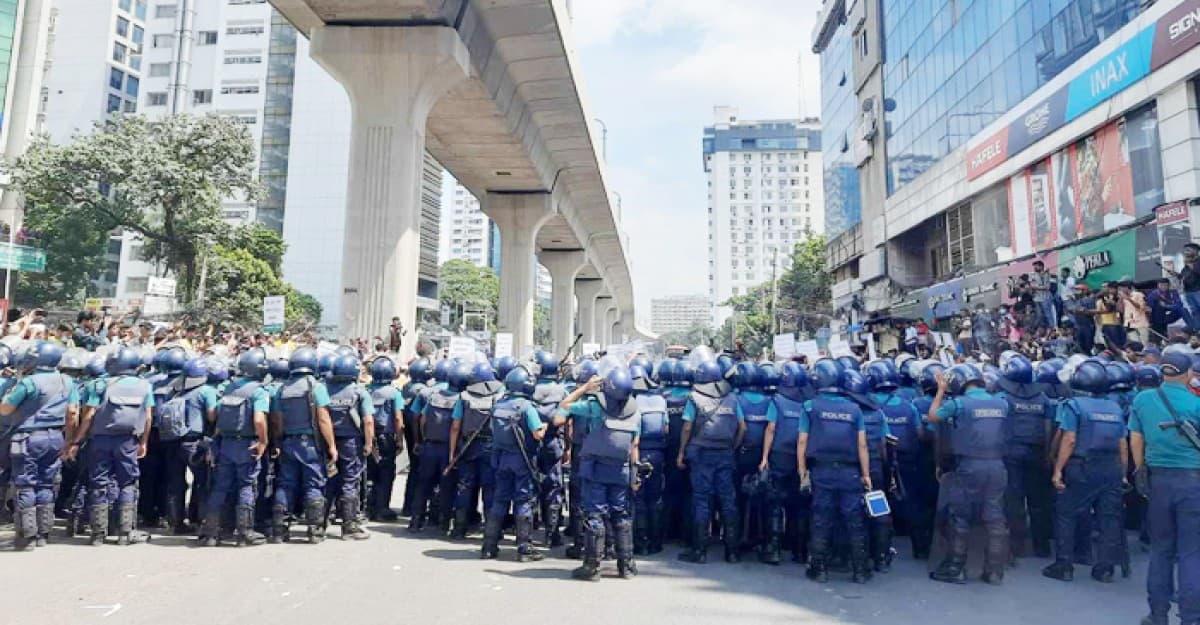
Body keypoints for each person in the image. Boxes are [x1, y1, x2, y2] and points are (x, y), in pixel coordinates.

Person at [1129, 346, 1200, 625]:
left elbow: (1136, 439)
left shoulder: (1143, 400)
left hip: (1158, 480)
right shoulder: (1196, 404)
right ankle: (1191, 618)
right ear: (1189, 373)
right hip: (1193, 483)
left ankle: (1158, 614)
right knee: (1191, 552)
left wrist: (1140, 470)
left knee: (1161, 550)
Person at [1041, 360, 1127, 583]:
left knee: (1066, 513)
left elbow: (1069, 439)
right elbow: (1122, 443)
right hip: (1111, 467)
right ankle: (1105, 568)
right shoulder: (1114, 407)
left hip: (1082, 466)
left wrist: (1058, 470)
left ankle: (1064, 565)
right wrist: (1123, 472)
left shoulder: (1073, 405)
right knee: (1108, 518)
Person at [555, 366, 642, 580]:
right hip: (621, 469)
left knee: (594, 515)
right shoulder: (634, 410)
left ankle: (592, 567)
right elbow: (634, 444)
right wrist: (634, 474)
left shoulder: (594, 406)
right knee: (620, 515)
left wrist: (585, 387)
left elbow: (564, 406)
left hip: (595, 469)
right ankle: (627, 566)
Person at [927, 363, 1010, 585]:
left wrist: (941, 390)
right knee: (994, 517)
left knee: (960, 515)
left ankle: (955, 568)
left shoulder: (959, 404)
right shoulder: (1002, 403)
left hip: (969, 466)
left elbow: (933, 416)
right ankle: (994, 572)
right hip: (997, 466)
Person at [64, 347, 154, 546]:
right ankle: (124, 533)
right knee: (127, 484)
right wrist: (144, 442)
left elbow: (88, 416)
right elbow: (148, 417)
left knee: (98, 484)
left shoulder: (98, 385)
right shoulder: (145, 386)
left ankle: (97, 534)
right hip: (128, 441)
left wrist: (76, 441)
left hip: (100, 440)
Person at [796, 358, 872, 583]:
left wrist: (802, 470)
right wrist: (866, 474)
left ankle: (819, 570)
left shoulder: (810, 407)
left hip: (822, 471)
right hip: (851, 472)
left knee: (821, 518)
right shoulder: (855, 409)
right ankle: (860, 571)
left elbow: (802, 441)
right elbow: (862, 445)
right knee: (854, 519)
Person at [0, 342, 75, 549]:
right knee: (46, 484)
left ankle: (26, 536)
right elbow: (72, 413)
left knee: (25, 484)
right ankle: (43, 534)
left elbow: (5, 409)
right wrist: (69, 440)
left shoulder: (28, 382)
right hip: (56, 438)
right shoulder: (67, 381)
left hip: (27, 438)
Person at [675, 357, 744, 564]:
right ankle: (732, 551)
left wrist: (681, 452)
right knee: (728, 500)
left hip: (701, 455)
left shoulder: (694, 398)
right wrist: (733, 446)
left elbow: (687, 427)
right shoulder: (732, 398)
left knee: (701, 500)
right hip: (725, 454)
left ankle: (700, 550)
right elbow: (743, 428)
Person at [269, 347, 337, 544]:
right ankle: (315, 530)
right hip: (310, 445)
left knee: (285, 484)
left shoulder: (282, 389)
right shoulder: (317, 387)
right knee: (313, 484)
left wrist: (279, 441)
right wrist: (331, 445)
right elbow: (323, 419)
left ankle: (279, 530)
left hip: (289, 442)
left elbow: (276, 421)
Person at [200, 351, 268, 547]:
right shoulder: (258, 391)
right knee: (246, 486)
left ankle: (212, 533)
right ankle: (245, 532)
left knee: (220, 487)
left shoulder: (229, 388)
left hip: (226, 443)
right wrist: (263, 441)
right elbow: (258, 419)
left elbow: (219, 418)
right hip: (247, 444)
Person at [482, 366, 546, 562]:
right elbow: (537, 433)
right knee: (523, 501)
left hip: (501, 458)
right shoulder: (526, 407)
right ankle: (524, 548)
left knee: (499, 500)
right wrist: (546, 426)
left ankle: (489, 546)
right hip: (522, 459)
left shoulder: (498, 405)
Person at [994, 353, 1054, 559]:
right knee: (1039, 501)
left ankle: (1017, 545)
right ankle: (1042, 545)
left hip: (1010, 454)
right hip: (1037, 453)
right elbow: (1047, 430)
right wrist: (1047, 454)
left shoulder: (1003, 398)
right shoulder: (1042, 398)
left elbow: (998, 428)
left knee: (1014, 499)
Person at [760, 361, 813, 565]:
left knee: (775, 502)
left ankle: (773, 549)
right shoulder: (808, 402)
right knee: (799, 504)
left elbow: (771, 429)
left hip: (780, 455)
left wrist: (764, 457)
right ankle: (798, 550)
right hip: (801, 457)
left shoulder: (777, 401)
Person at [159, 358, 216, 536]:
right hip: (195, 443)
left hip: (173, 441)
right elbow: (212, 416)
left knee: (175, 483)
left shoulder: (176, 391)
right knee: (201, 482)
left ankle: (175, 522)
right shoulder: (206, 391)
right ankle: (197, 520)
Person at [409, 361, 467, 533]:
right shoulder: (461, 400)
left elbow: (422, 419)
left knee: (423, 485)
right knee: (447, 487)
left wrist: (423, 438)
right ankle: (442, 524)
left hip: (429, 446)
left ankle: (415, 520)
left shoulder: (434, 396)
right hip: (448, 449)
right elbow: (457, 427)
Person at [447, 361, 502, 539]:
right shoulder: (499, 396)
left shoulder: (463, 397)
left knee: (464, 487)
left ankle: (459, 528)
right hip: (490, 447)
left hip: (468, 447)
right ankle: (491, 531)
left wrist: (452, 453)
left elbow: (455, 427)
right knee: (490, 489)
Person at [324, 353, 375, 540]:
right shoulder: (359, 392)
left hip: (328, 442)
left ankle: (320, 524)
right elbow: (368, 421)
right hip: (351, 443)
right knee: (349, 481)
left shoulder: (324, 390)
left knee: (328, 481)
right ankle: (349, 526)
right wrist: (369, 443)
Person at [729, 361, 775, 559]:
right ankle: (759, 539)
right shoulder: (769, 401)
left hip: (741, 454)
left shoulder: (736, 399)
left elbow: (739, 428)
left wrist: (735, 448)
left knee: (737, 498)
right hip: (761, 457)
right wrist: (765, 456)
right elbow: (770, 429)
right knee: (761, 499)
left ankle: (738, 540)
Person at [530, 351, 568, 548]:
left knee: (529, 485)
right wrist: (568, 447)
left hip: (531, 442)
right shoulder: (562, 391)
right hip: (553, 443)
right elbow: (569, 422)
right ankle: (552, 535)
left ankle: (528, 532)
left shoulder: (528, 389)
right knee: (553, 488)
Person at [631, 363, 667, 555]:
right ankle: (656, 542)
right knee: (655, 498)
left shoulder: (634, 402)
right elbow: (666, 429)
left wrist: (635, 465)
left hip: (641, 453)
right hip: (658, 454)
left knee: (639, 499)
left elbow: (634, 441)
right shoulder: (660, 400)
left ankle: (641, 543)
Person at [366, 356, 404, 521]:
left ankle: (367, 508)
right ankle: (382, 509)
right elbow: (397, 418)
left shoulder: (366, 390)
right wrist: (400, 440)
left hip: (368, 436)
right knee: (386, 473)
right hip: (385, 438)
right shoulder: (394, 393)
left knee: (368, 473)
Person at [1147, 279, 1185, 345]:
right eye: (1161, 285)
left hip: (1172, 316)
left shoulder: (1173, 292)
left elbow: (1179, 305)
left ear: (1169, 285)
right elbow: (1150, 307)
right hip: (1158, 319)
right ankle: (1160, 342)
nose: (1163, 287)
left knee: (1182, 310)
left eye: (1165, 285)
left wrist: (1167, 306)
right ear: (1157, 285)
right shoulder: (1153, 294)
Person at [1120, 281, 1151, 348]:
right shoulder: (1123, 297)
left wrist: (1128, 299)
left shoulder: (1138, 294)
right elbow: (1120, 310)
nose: (1121, 290)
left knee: (1144, 343)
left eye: (1122, 288)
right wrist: (1120, 299)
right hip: (1129, 323)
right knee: (1135, 343)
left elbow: (1140, 307)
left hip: (1140, 322)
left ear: (1127, 287)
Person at [1069, 284, 1098, 354]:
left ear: (1084, 291)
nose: (1075, 292)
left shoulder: (1089, 300)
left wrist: (1083, 311)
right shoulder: (1077, 301)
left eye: (1078, 290)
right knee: (1079, 346)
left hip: (1088, 326)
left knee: (1088, 347)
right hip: (1079, 326)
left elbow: (1092, 312)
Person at [1177, 243, 1200, 332]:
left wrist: (1190, 265)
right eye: (1185, 250)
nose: (1185, 252)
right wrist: (1179, 276)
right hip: (1189, 292)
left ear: (1196, 251)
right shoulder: (1186, 266)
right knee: (1194, 312)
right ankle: (1198, 330)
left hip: (1198, 291)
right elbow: (1184, 277)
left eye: (1188, 250)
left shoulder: (1197, 262)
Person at [1097, 282, 1126, 350]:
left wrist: (1114, 303)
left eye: (1105, 287)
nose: (1104, 288)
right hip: (1107, 324)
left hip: (1118, 324)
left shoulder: (1117, 297)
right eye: (1102, 287)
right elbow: (1100, 312)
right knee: (1111, 345)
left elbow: (1120, 310)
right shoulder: (1101, 299)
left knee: (1119, 344)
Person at [1031, 260, 1058, 329]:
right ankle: (1040, 329)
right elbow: (1032, 286)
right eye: (1034, 266)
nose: (1034, 268)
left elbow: (1048, 287)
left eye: (1036, 266)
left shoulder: (1049, 275)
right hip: (1037, 299)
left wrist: (1038, 287)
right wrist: (1038, 287)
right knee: (1039, 315)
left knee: (1049, 315)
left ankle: (1053, 329)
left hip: (1046, 298)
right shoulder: (1033, 275)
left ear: (1041, 266)